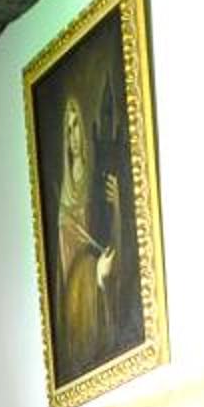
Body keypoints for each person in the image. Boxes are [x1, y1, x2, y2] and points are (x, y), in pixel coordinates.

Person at [52, 84, 130, 372]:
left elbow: (110, 236)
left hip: (103, 287)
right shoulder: (64, 195)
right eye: (68, 129)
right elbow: (67, 266)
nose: (73, 136)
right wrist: (93, 271)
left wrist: (118, 207)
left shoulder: (95, 175)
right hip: (83, 299)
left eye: (76, 127)